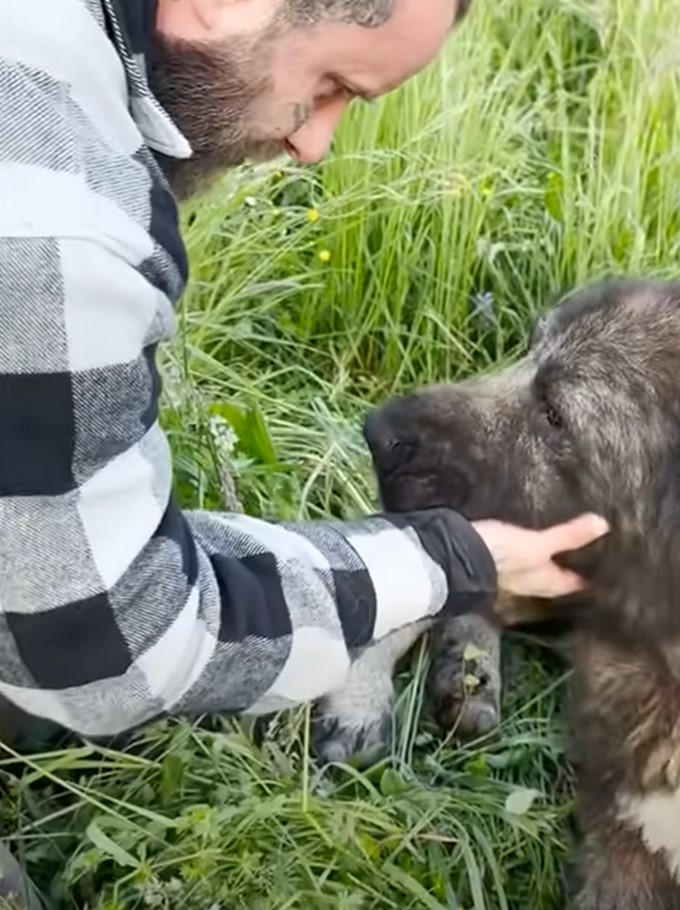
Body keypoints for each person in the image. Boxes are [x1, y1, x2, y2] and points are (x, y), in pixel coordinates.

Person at [0, 0, 610, 904]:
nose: (314, 144)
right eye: (327, 87)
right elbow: (113, 644)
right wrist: (450, 562)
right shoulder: (56, 215)